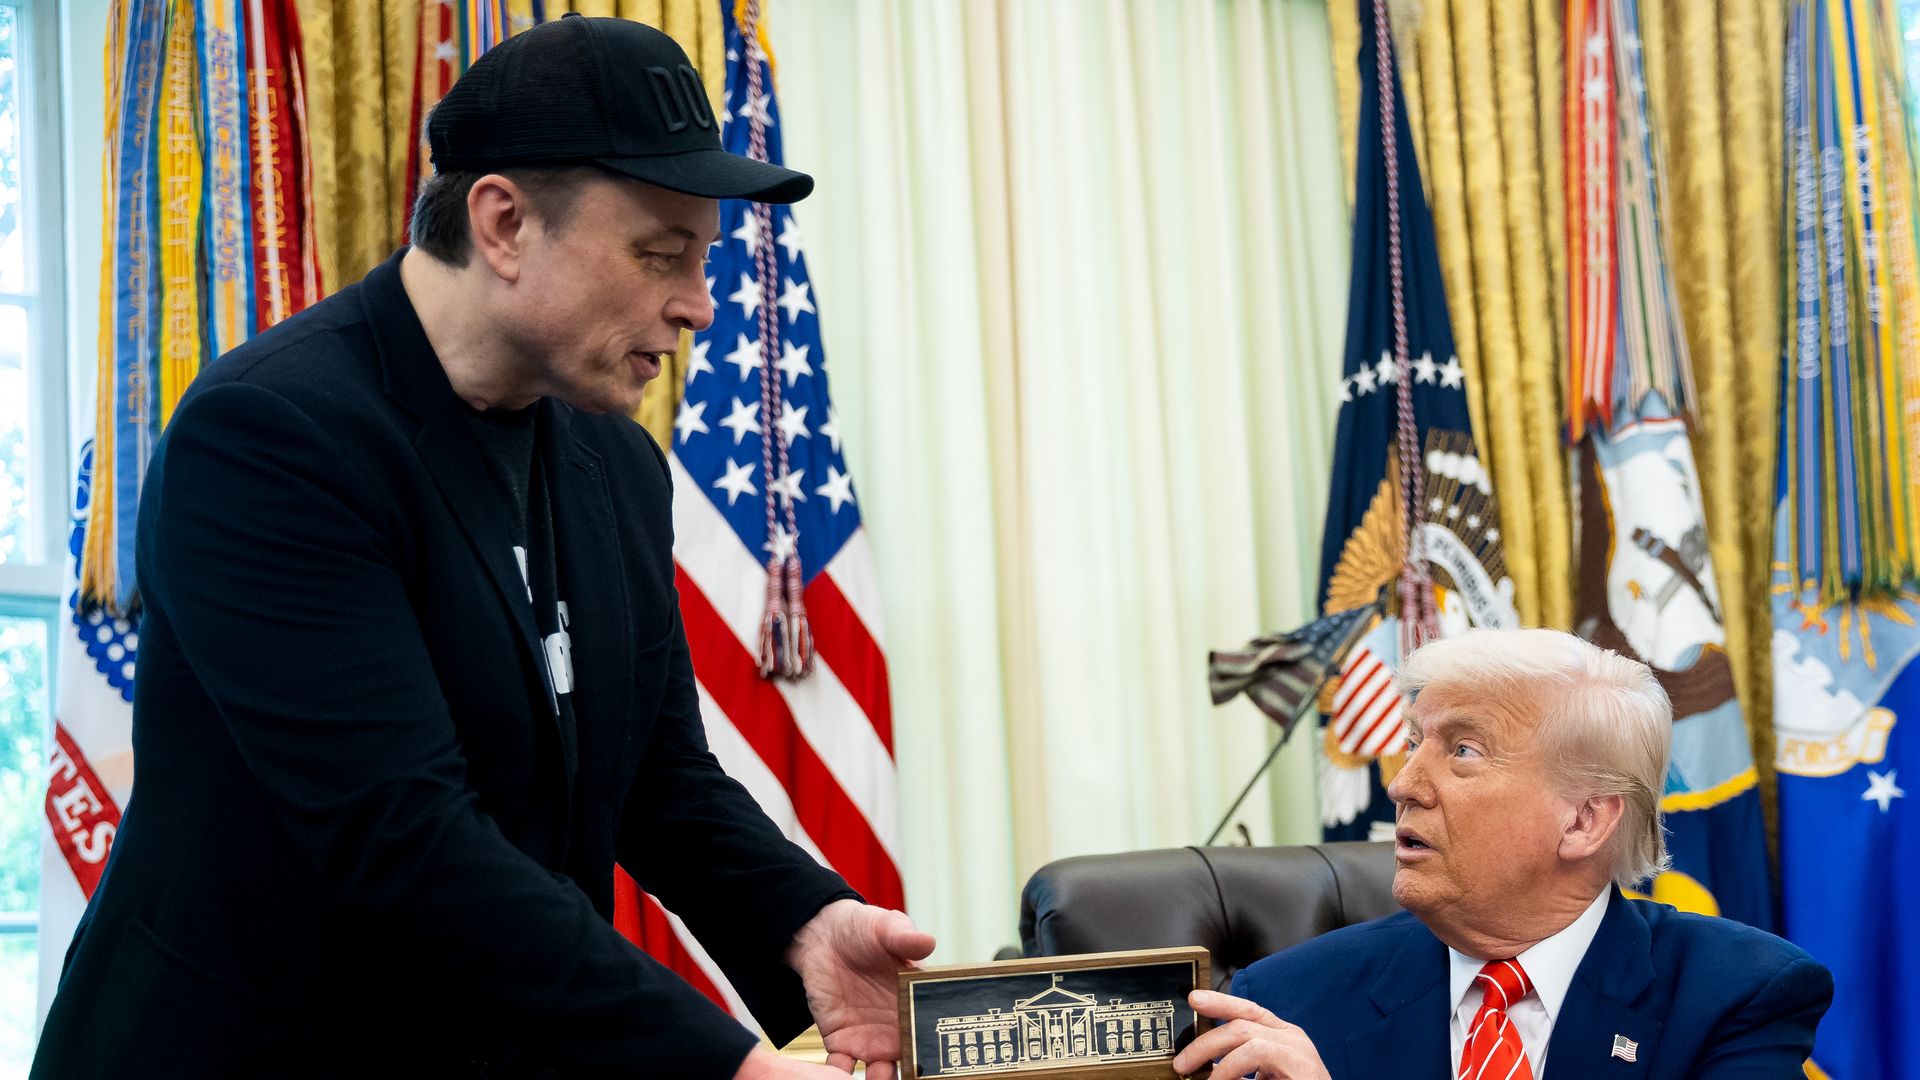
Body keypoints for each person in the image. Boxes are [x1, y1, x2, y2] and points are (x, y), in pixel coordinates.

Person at [32, 16, 930, 1079]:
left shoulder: (616, 462)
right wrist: (727, 1068)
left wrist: (806, 924)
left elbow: (660, 779)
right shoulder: (272, 438)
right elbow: (405, 841)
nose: (696, 305)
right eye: (661, 255)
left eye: (704, 257)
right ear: (503, 223)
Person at [1173, 628, 1831, 1080]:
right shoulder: (1286, 1003)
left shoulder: (1732, 997)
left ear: (1584, 820)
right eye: (1414, 743)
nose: (1403, 784)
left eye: (1463, 751)